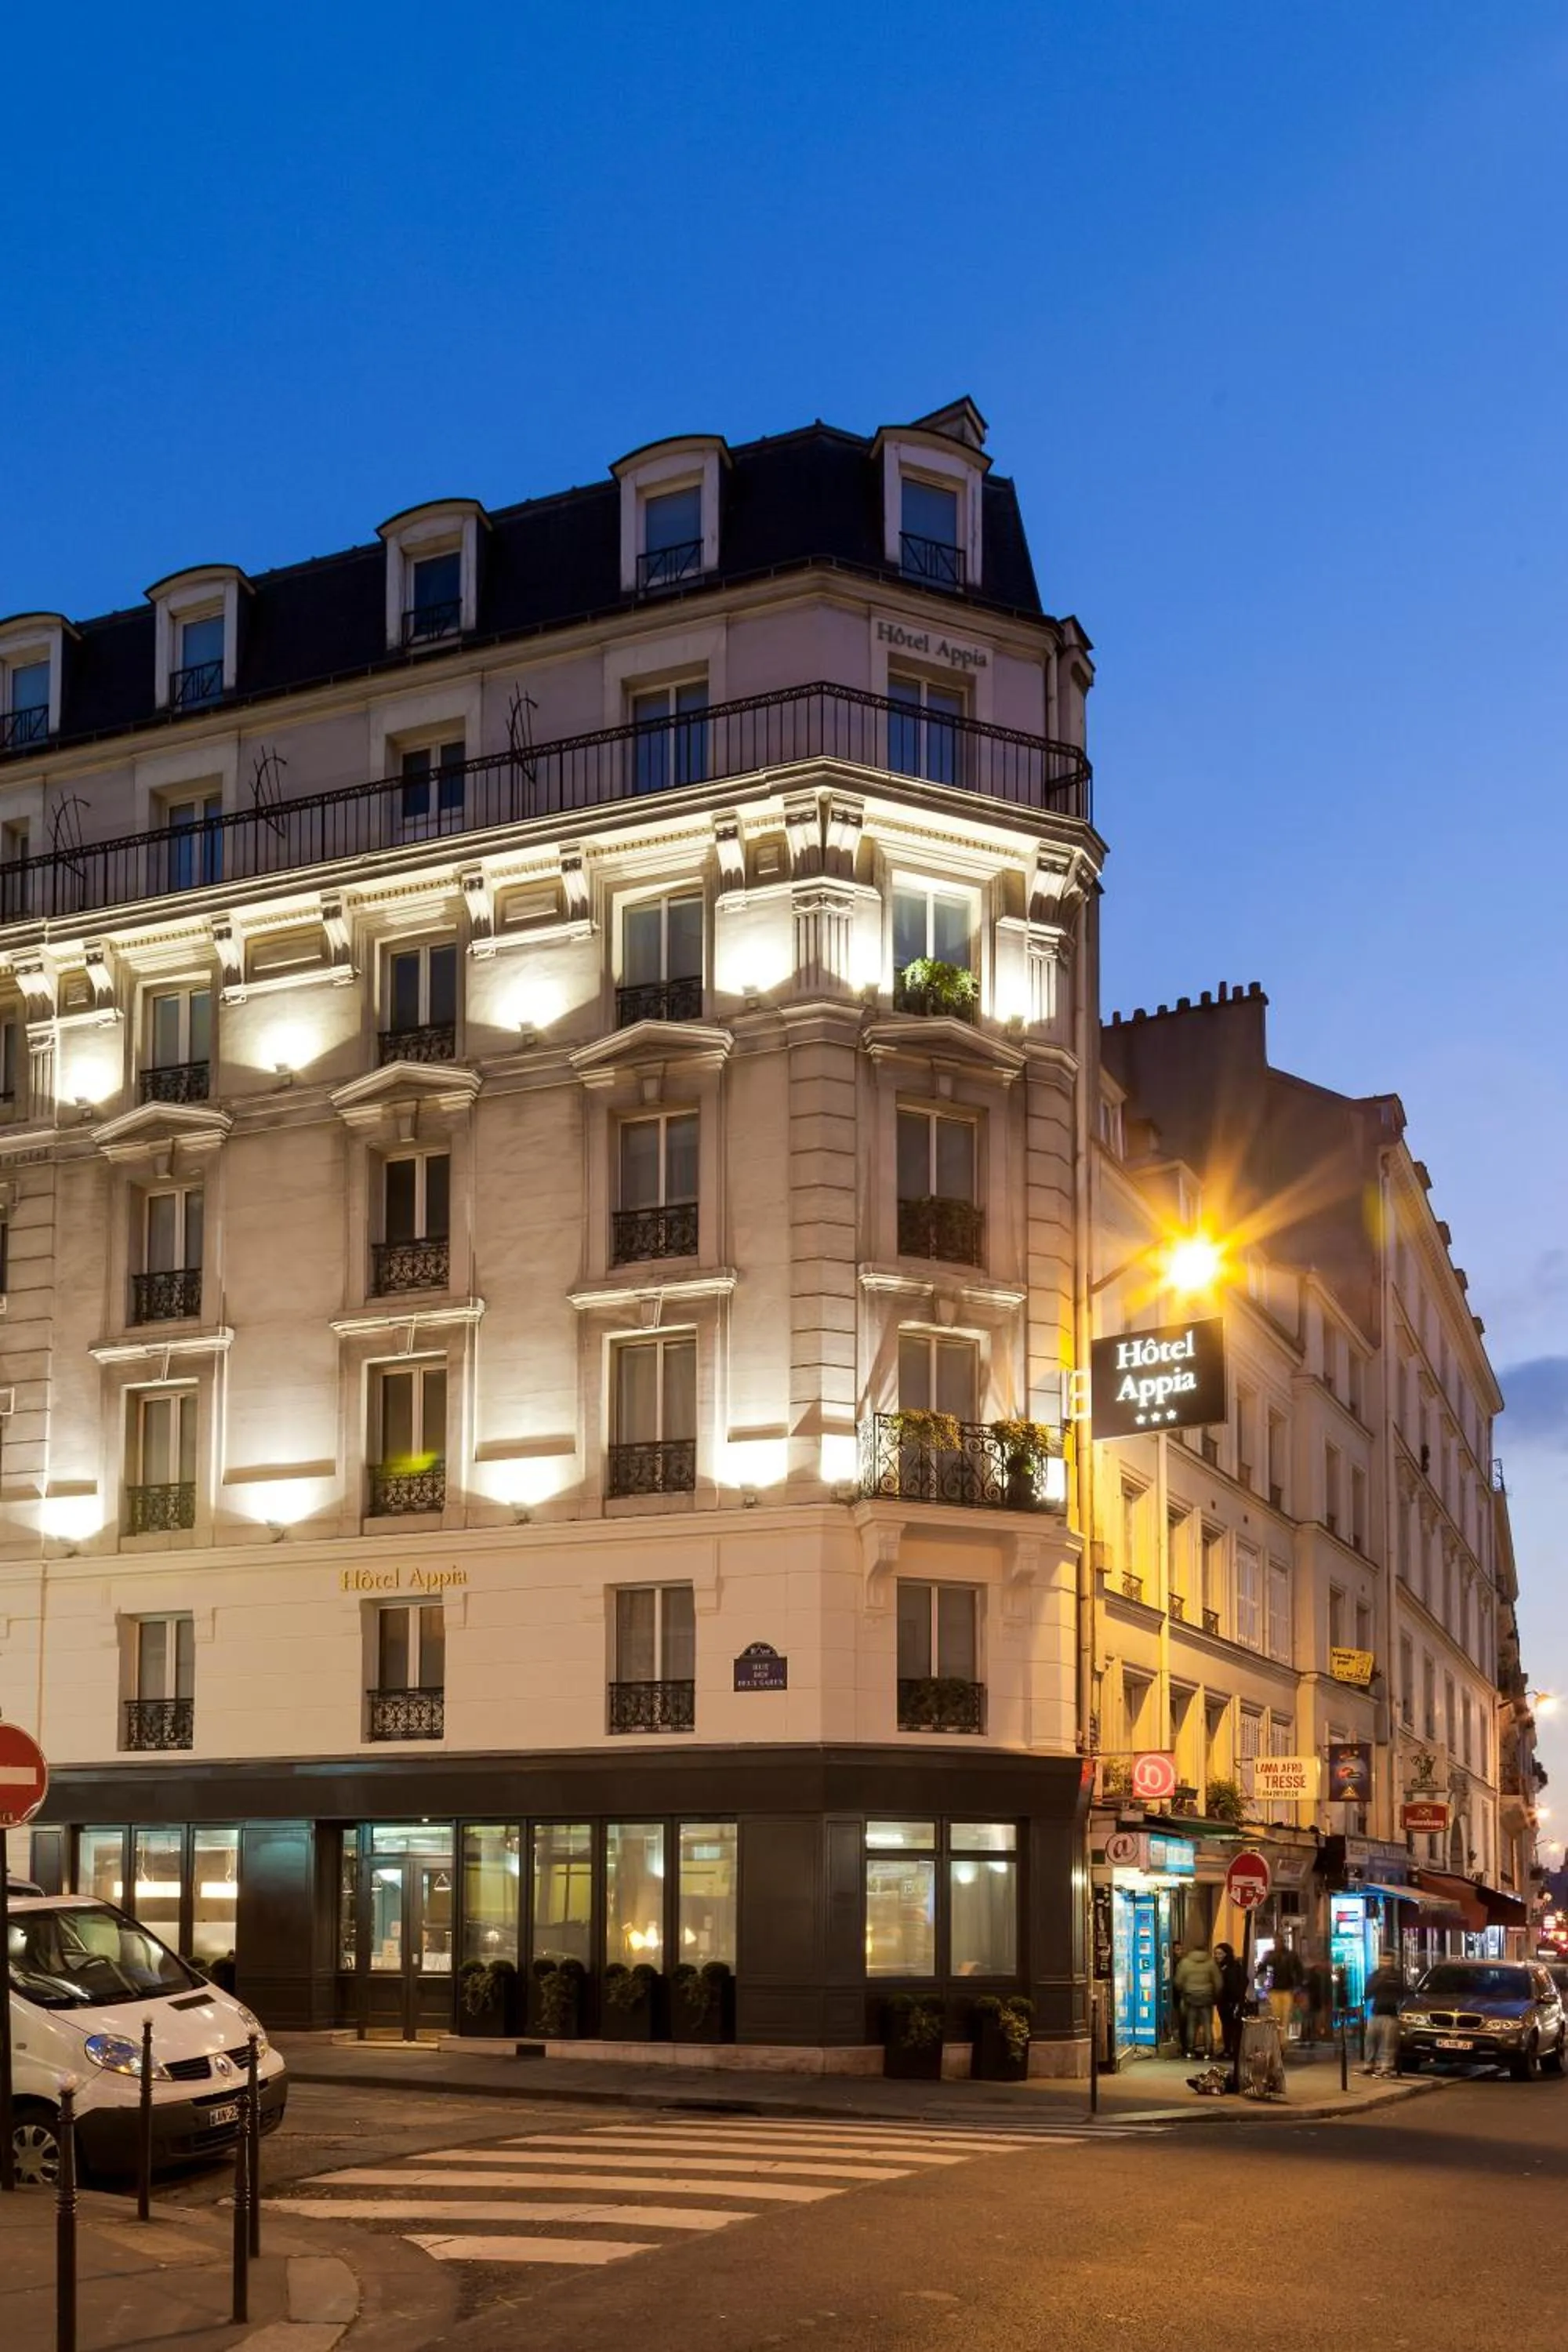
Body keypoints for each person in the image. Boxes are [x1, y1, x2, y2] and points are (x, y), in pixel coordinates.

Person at [1174, 1940, 1222, 2060]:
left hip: (1190, 1997)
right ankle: (1208, 2051)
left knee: (1191, 2024)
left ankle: (1190, 2051)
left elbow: (1178, 1981)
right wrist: (1215, 1995)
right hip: (1206, 1997)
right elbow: (1219, 1982)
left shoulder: (1185, 1963)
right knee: (1207, 2025)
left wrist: (1184, 1991)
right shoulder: (1211, 1963)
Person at [1363, 1955, 1404, 2076]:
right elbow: (1368, 1992)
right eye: (1383, 1961)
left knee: (1388, 2043)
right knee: (1370, 2040)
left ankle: (1386, 2067)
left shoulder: (1397, 1976)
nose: (1386, 1963)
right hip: (1376, 2012)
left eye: (1388, 1961)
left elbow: (1402, 1993)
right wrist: (1380, 1980)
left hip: (1391, 2013)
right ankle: (1369, 2065)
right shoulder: (1376, 1975)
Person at [1214, 1940, 1247, 2063]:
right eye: (1216, 1954)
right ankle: (1229, 2049)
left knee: (1231, 2026)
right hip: (1224, 2001)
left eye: (1220, 1954)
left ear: (1226, 1954)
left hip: (1230, 2002)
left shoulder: (1232, 1967)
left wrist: (1236, 1999)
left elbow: (1238, 1983)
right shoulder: (1221, 1967)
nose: (1217, 1956)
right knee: (1227, 2026)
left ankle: (1232, 2050)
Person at [1266, 1936, 1303, 2035]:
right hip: (1276, 1990)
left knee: (1285, 2016)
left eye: (1279, 1942)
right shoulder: (1271, 1955)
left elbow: (1299, 1971)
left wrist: (1297, 1987)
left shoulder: (1291, 1956)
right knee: (1277, 2016)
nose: (1277, 1944)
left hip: (1287, 1990)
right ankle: (1279, 2040)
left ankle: (1282, 2041)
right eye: (1276, 1942)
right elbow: (1266, 1970)